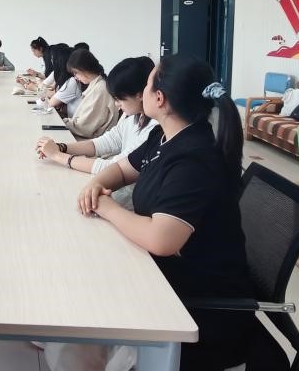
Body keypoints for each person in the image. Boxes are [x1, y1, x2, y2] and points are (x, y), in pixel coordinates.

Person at [71, 54, 254, 371]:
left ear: (160, 98)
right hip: (166, 274)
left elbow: (161, 240)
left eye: (146, 84)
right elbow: (123, 170)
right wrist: (98, 183)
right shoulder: (164, 136)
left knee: (87, 296)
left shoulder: (194, 157)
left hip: (199, 305)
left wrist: (106, 206)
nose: (142, 90)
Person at [35, 56, 157, 208]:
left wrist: (57, 155)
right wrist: (61, 147)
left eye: (119, 99)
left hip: (127, 199)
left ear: (140, 95)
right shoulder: (134, 116)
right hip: (116, 188)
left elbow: (113, 168)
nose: (116, 105)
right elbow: (103, 143)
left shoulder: (154, 128)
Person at [62, 48, 117, 138]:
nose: (75, 77)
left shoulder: (100, 89)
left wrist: (63, 122)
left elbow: (83, 128)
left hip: (89, 140)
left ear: (84, 69)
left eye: (76, 73)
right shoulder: (97, 85)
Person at [44, 44, 81, 116]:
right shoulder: (66, 78)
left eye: (53, 58)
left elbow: (51, 103)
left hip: (73, 121)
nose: (51, 61)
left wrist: (35, 88)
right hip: (70, 118)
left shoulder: (72, 81)